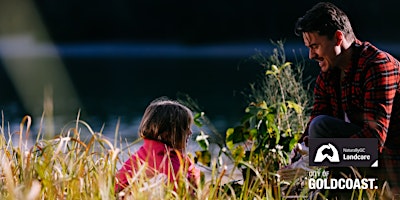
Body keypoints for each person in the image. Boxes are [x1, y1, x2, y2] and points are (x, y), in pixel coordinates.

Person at [293, 1, 400, 197]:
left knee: (320, 134)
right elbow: (312, 130)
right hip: (359, 161)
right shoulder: (328, 73)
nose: (310, 55)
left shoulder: (378, 66)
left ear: (338, 38)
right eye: (308, 47)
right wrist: (296, 158)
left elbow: (373, 145)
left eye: (315, 46)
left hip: (391, 167)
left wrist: (316, 156)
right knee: (317, 130)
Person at [115, 97, 201, 196]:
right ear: (166, 133)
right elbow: (183, 193)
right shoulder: (164, 160)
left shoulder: (146, 152)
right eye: (185, 128)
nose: (190, 132)